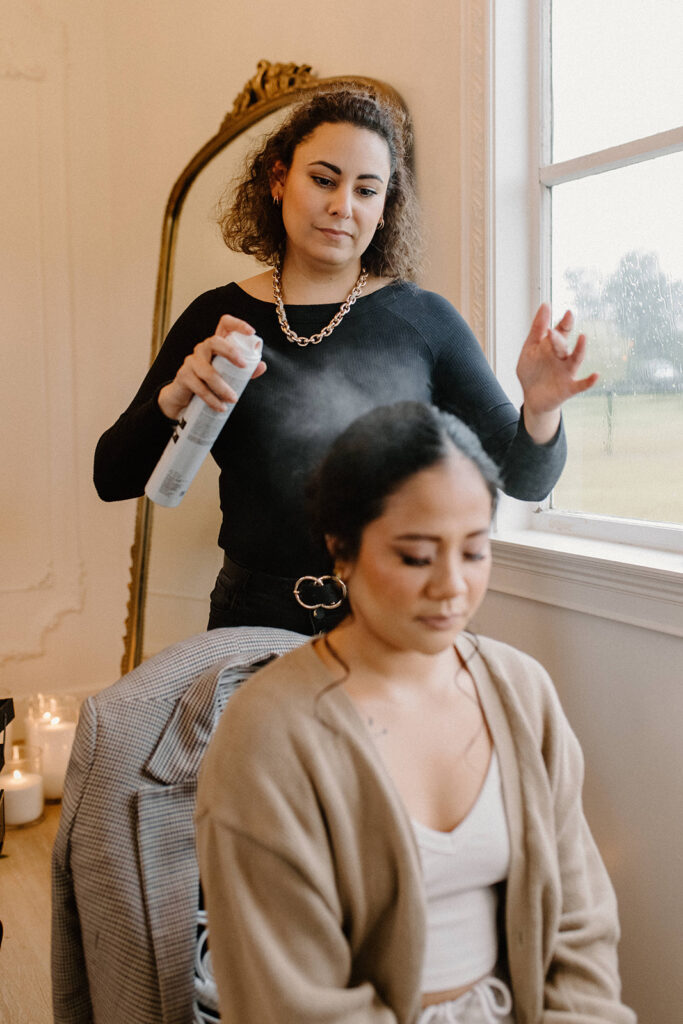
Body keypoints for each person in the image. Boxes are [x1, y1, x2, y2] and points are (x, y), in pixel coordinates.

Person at [94, 87, 597, 636]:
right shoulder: (216, 318)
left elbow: (522, 478)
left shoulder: (424, 320)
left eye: (366, 190)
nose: (343, 207)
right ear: (278, 179)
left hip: (387, 620)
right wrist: (173, 401)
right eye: (324, 180)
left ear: (384, 210)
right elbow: (112, 476)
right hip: (249, 623)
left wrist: (542, 407)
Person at [195, 401, 635, 1024]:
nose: (451, 586)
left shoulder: (520, 691)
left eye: (475, 551)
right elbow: (292, 1000)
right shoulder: (269, 734)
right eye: (416, 557)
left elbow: (579, 922)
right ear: (340, 549)